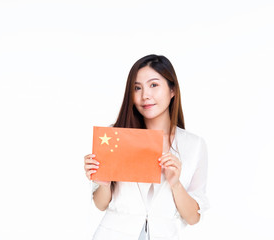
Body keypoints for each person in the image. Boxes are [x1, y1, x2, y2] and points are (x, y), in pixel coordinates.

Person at [84, 54, 209, 240]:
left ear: (172, 89)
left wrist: (175, 184)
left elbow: (193, 217)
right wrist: (104, 183)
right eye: (137, 88)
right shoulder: (114, 137)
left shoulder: (194, 145)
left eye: (154, 85)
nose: (145, 96)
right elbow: (101, 204)